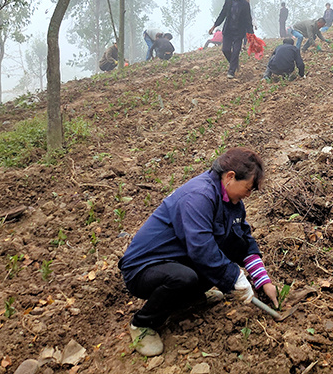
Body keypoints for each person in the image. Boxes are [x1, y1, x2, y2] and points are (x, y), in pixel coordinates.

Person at [119, 148, 278, 357]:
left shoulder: (232, 202)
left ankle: (188, 298)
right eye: (248, 188)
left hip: (177, 259)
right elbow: (201, 248)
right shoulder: (198, 195)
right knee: (184, 277)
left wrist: (262, 281)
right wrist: (235, 277)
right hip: (144, 268)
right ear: (230, 177)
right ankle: (142, 324)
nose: (248, 194)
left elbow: (242, 242)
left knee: (221, 253)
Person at [209, 0, 254, 79]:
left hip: (239, 32)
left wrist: (251, 33)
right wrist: (214, 26)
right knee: (225, 50)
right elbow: (222, 15)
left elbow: (248, 19)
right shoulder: (228, 1)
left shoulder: (245, 4)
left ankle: (231, 71)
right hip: (228, 31)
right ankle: (234, 63)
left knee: (236, 51)